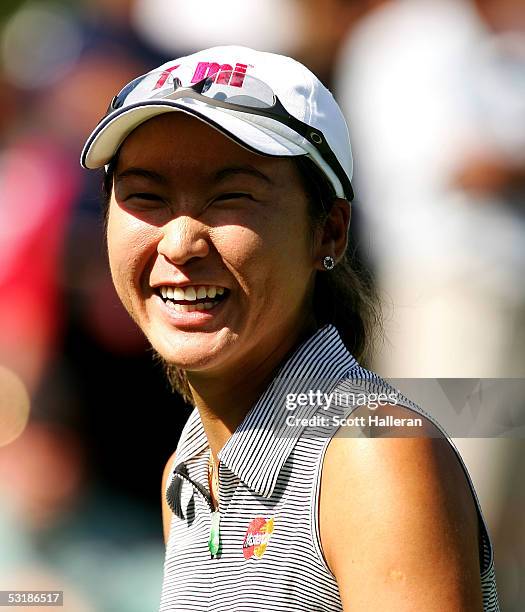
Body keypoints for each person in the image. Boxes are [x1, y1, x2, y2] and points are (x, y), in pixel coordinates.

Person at [80, 46, 499, 611]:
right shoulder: (186, 471)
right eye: (145, 196)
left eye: (232, 197)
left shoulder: (375, 453)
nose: (179, 243)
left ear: (329, 231)